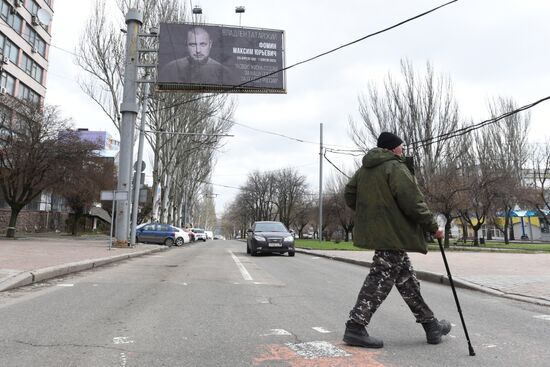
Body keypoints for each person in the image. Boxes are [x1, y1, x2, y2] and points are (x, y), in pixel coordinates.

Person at [342, 131, 451, 349]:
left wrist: (370, 213)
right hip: (392, 233)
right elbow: (413, 202)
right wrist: (433, 226)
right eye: (401, 146)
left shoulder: (364, 169)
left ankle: (431, 326)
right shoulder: (395, 167)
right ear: (393, 148)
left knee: (406, 280)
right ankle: (355, 326)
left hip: (382, 233)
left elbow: (349, 194)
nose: (403, 150)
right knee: (379, 280)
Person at [160, 26, 235, 85]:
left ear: (210, 44)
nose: (198, 50)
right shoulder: (170, 69)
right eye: (193, 45)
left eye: (203, 44)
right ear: (186, 44)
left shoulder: (225, 72)